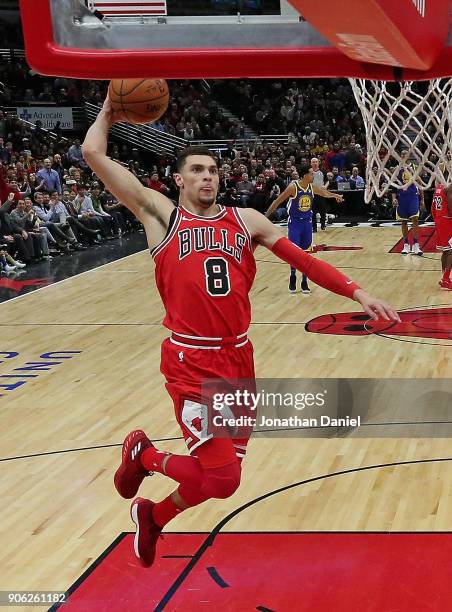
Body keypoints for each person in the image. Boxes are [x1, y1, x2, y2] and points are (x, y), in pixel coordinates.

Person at [82, 97, 400, 568]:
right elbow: (93, 154)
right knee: (224, 480)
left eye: (213, 169)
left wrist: (357, 293)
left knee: (216, 480)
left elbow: (304, 261)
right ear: (179, 179)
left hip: (239, 360)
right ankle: (145, 456)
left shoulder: (246, 221)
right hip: (191, 362)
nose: (208, 176)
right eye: (197, 169)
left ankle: (154, 518)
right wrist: (110, 106)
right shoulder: (162, 217)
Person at [265, 164, 344, 294]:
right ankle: (292, 276)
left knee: (306, 253)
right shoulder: (293, 188)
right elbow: (277, 202)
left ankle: (304, 281)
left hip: (307, 223)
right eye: (311, 173)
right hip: (295, 223)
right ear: (305, 175)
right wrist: (265, 216)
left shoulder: (311, 187)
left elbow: (324, 193)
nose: (313, 175)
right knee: (294, 253)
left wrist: (335, 195)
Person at [391, 149, 425, 255]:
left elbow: (419, 183)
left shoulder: (413, 168)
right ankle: (406, 245)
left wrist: (422, 199)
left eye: (405, 154)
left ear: (408, 156)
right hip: (402, 198)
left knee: (415, 219)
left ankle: (416, 245)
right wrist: (393, 198)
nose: (403, 156)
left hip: (413, 197)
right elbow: (394, 186)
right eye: (401, 154)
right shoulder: (396, 170)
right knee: (404, 221)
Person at [431, 182, 452, 290]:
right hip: (447, 220)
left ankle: (444, 277)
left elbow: (432, 208)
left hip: (439, 219)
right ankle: (446, 279)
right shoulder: (450, 188)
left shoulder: (439, 187)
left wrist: (437, 220)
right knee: (451, 251)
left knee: (446, 251)